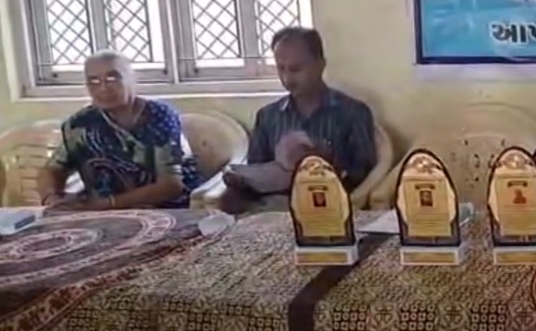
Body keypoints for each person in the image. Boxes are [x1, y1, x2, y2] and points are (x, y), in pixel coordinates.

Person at [221, 27, 378, 212]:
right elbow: (256, 168)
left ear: (320, 65)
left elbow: (364, 170)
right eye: (281, 68)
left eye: (295, 69)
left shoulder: (352, 112)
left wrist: (325, 162)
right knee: (229, 199)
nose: (287, 78)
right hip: (276, 207)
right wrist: (243, 180)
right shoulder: (268, 116)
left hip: (326, 203)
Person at [37, 50, 202, 209]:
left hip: (168, 209)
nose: (103, 88)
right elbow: (53, 169)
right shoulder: (80, 124)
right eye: (94, 81)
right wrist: (51, 198)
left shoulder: (159, 116)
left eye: (112, 78)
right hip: (104, 214)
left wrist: (107, 204)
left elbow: (171, 186)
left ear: (132, 79)